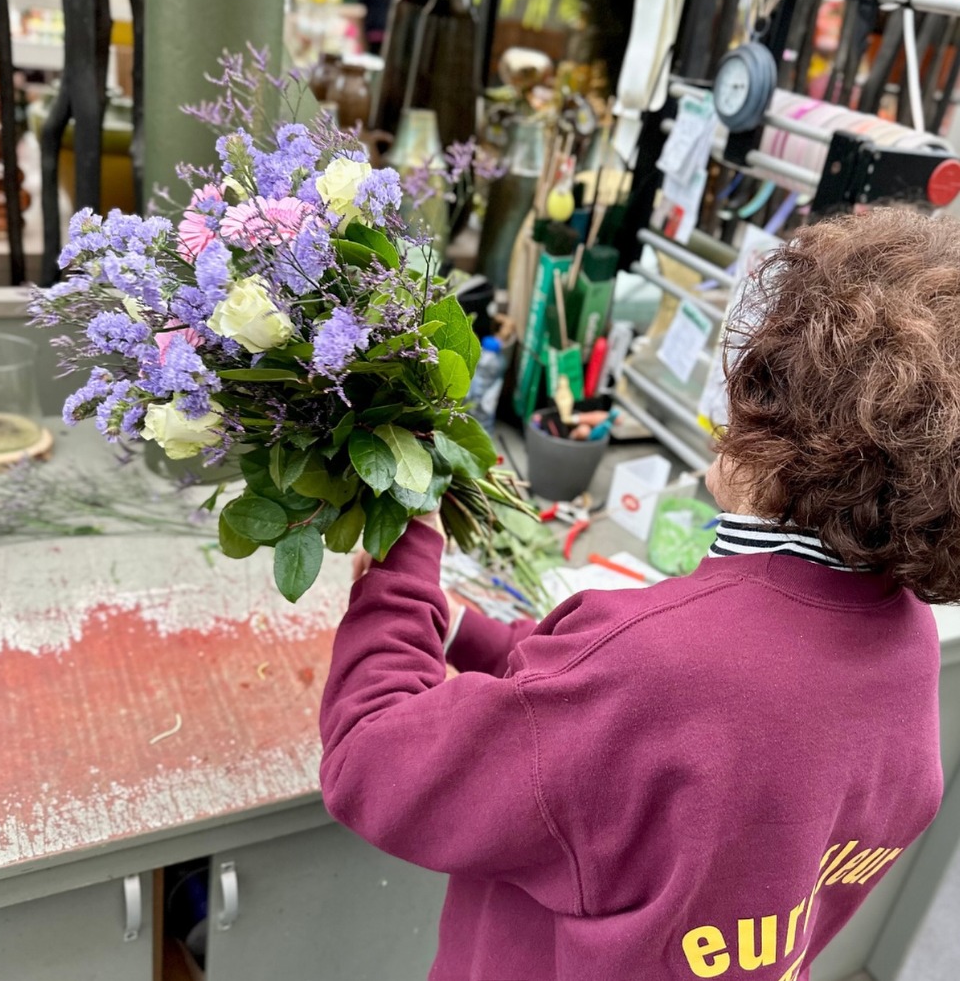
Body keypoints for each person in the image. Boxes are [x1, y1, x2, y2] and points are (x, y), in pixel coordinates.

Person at [320, 207, 955, 981]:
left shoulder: (666, 672)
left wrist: (405, 544)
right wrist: (461, 631)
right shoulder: (904, 643)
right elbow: (617, 720)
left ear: (787, 423)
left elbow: (376, 766)